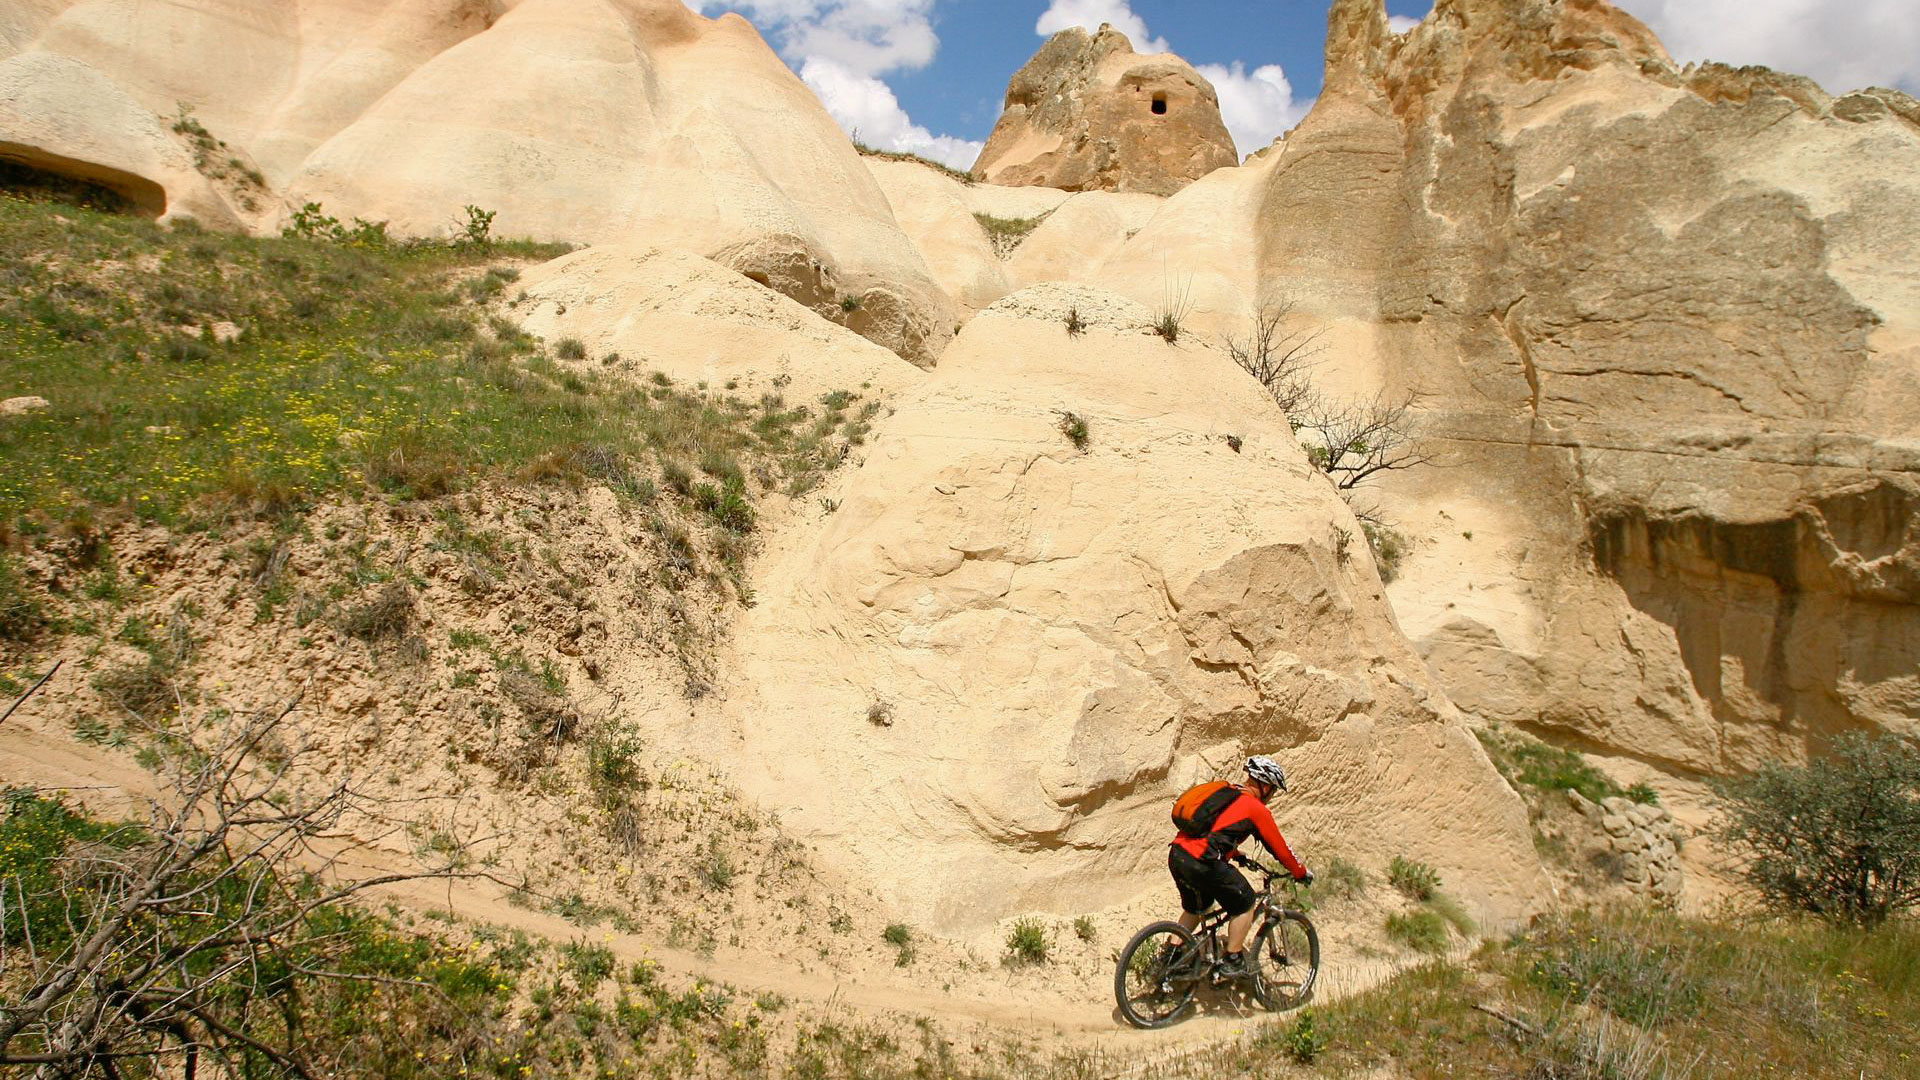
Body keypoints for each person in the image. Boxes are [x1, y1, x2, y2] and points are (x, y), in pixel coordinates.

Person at [1168, 755, 1312, 978]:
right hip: (1202, 861)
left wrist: (1235, 854)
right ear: (1264, 786)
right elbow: (1280, 849)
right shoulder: (1255, 808)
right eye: (1272, 790)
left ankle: (1170, 957)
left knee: (1197, 907)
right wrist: (1300, 872)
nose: (1271, 796)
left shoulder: (1229, 795)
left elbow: (1213, 831)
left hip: (1178, 855)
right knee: (1245, 902)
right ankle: (1232, 959)